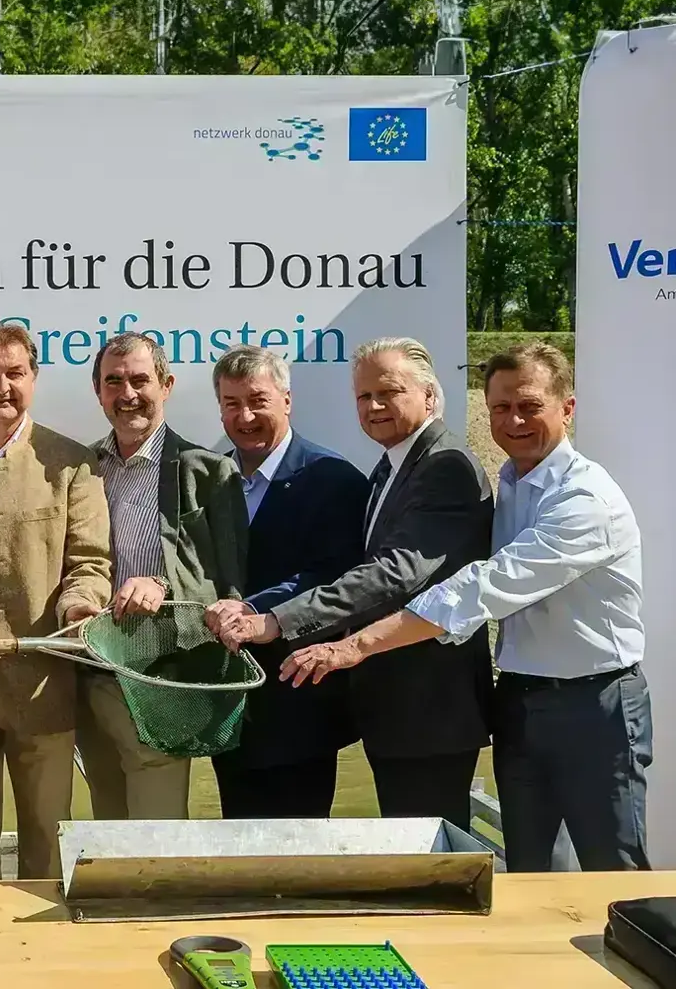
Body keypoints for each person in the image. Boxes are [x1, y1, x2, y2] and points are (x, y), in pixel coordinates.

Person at [281, 342, 650, 871]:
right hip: (521, 700)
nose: (513, 420)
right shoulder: (511, 482)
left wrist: (352, 646)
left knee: (612, 870)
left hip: (595, 706)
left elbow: (479, 588)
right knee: (532, 872)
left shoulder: (585, 499)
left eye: (529, 406)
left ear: (567, 408)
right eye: (500, 408)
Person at [210, 337, 492, 830]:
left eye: (389, 392)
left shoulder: (443, 465)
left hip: (427, 705)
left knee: (430, 864)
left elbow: (394, 571)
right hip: (387, 707)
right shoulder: (391, 466)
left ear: (429, 395)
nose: (375, 406)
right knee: (411, 862)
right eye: (364, 397)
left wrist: (276, 620)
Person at [0, 323, 111, 879]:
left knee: (48, 845)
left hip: (43, 679)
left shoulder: (71, 463)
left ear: (33, 379)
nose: (2, 386)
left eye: (15, 374)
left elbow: (90, 562)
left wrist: (80, 607)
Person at [78, 332, 248, 820]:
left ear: (167, 384)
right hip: (89, 669)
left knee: (157, 830)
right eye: (114, 381)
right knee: (105, 825)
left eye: (139, 380)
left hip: (161, 676)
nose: (127, 393)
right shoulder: (81, 468)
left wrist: (162, 584)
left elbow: (229, 584)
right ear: (99, 392)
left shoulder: (210, 473)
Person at [200, 346, 368, 819]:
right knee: (238, 845)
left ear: (287, 400)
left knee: (301, 849)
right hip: (228, 701)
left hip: (301, 700)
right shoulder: (213, 478)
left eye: (257, 400)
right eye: (232, 404)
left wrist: (254, 609)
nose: (245, 416)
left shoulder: (332, 478)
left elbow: (337, 575)